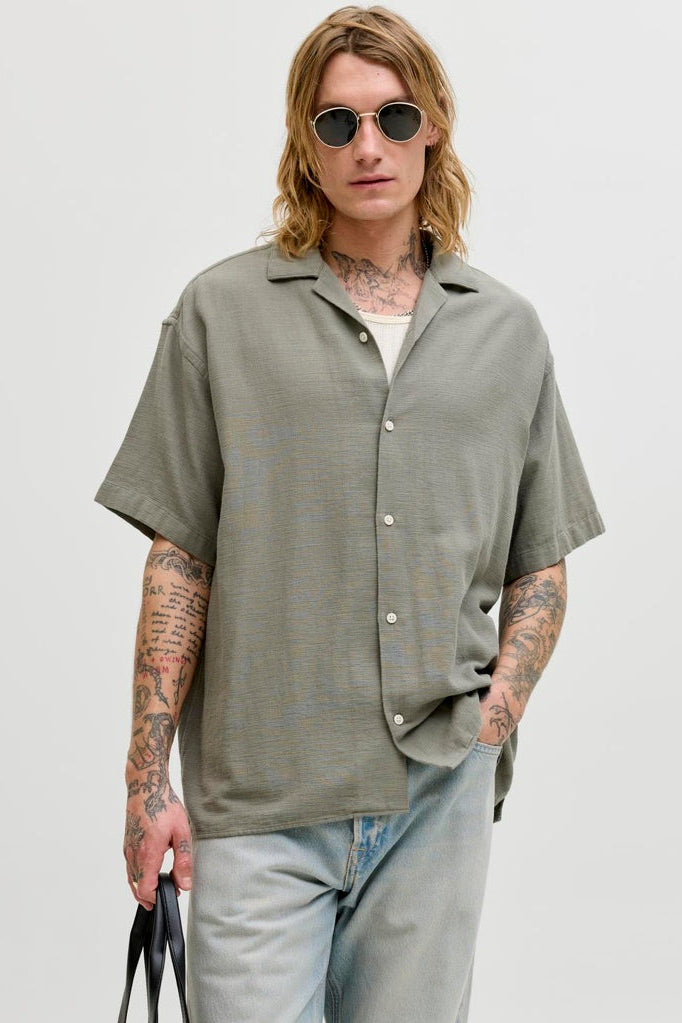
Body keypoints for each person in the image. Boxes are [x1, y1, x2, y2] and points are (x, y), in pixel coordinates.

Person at [94, 6, 606, 1021]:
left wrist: (491, 725)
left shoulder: (506, 332)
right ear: (306, 141)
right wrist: (146, 781)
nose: (368, 145)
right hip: (260, 801)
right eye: (338, 123)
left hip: (435, 801)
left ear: (432, 127)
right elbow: (180, 558)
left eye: (393, 116)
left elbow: (539, 563)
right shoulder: (220, 312)